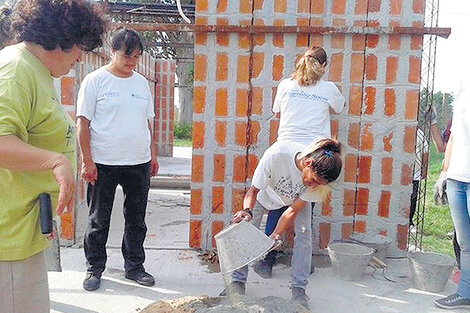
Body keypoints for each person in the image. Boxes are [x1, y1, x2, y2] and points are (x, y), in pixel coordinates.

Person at [0, 0, 106, 312]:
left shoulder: (36, 71)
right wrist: (55, 161)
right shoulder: (15, 69)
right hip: (8, 239)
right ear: (61, 38)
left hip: (25, 228)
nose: (79, 57)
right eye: (79, 47)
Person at [77, 28, 159, 292]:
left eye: (136, 57)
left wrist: (153, 155)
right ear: (113, 51)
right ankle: (94, 268)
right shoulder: (95, 81)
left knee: (136, 219)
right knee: (98, 219)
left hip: (138, 162)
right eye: (127, 56)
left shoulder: (141, 83)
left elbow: (149, 121)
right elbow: (83, 124)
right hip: (103, 163)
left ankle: (134, 267)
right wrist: (86, 161)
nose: (132, 62)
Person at [254, 46, 345, 278]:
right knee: (302, 208)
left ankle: (267, 259)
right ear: (324, 66)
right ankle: (301, 260)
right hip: (314, 158)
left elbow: (277, 113)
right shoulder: (329, 88)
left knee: (277, 202)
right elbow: (340, 107)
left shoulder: (286, 84)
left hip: (284, 153)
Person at [222, 138, 342, 310]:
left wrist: (276, 234)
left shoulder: (319, 187)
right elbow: (254, 190)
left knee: (304, 233)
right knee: (244, 228)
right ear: (308, 162)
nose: (314, 186)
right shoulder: (277, 155)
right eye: (314, 180)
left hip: (294, 200)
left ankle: (299, 291)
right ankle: (237, 282)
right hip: (266, 195)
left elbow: (292, 211)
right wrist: (246, 211)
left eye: (319, 184)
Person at [434, 90, 470, 309]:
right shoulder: (463, 95)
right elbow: (455, 136)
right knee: (465, 243)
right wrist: (444, 172)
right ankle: (465, 292)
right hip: (457, 178)